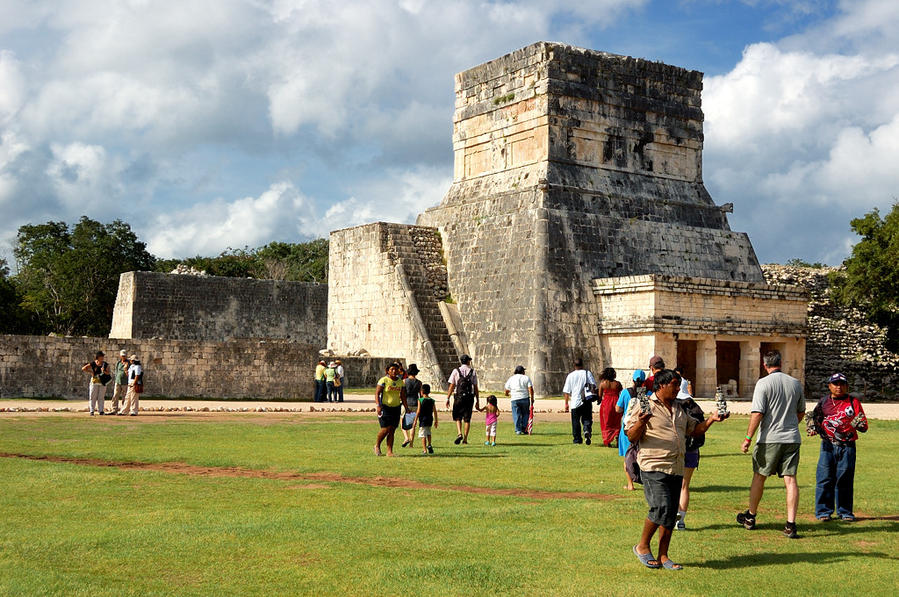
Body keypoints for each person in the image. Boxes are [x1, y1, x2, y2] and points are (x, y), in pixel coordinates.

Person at [626, 369, 723, 570]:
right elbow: (631, 436)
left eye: (679, 385)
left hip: (676, 466)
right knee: (660, 507)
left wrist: (712, 419)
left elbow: (694, 430)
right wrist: (642, 421)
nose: (678, 389)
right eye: (674, 385)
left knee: (670, 513)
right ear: (661, 385)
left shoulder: (680, 408)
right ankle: (642, 546)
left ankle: (663, 556)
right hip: (653, 464)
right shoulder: (644, 404)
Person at [737, 350, 805, 539]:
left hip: (769, 439)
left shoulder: (763, 383)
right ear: (781, 363)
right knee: (790, 480)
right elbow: (801, 412)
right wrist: (789, 426)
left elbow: (757, 413)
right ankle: (791, 524)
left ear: (764, 365)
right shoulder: (795, 383)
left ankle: (750, 516)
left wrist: (748, 439)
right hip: (792, 438)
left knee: (759, 476)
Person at [809, 373, 868, 521]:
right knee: (824, 479)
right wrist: (813, 428)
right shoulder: (823, 402)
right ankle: (823, 512)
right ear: (829, 386)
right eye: (835, 384)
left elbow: (863, 425)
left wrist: (859, 425)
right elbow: (814, 419)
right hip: (828, 445)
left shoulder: (853, 402)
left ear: (847, 386)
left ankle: (845, 512)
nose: (838, 387)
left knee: (845, 479)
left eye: (842, 384)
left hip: (847, 445)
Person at [675, 392, 722, 530]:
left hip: (677, 450)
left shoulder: (674, 406)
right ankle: (681, 521)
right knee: (684, 486)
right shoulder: (694, 407)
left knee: (672, 486)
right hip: (693, 450)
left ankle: (672, 517)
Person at [617, 370, 646, 491]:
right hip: (641, 429)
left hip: (627, 429)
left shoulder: (625, 392)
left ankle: (630, 484)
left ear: (633, 380)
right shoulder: (646, 394)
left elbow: (618, 409)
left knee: (627, 456)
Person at [446, 354, 480, 445]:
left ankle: (459, 433)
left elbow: (452, 385)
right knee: (467, 418)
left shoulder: (456, 371)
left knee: (458, 416)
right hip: (469, 397)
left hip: (459, 397)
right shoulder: (472, 372)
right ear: (468, 361)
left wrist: (447, 398)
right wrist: (477, 400)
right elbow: (475, 387)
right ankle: (465, 439)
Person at [374, 363, 406, 456]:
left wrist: (406, 407)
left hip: (396, 407)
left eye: (396, 369)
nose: (394, 371)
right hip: (385, 407)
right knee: (385, 429)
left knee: (392, 430)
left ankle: (389, 451)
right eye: (391, 369)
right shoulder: (383, 380)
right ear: (387, 371)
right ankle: (377, 445)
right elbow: (377, 393)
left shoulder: (400, 382)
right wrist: (378, 405)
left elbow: (403, 396)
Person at [562, 359, 596, 444]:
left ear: (574, 365)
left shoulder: (570, 375)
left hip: (575, 402)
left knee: (575, 421)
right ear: (582, 365)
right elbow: (593, 385)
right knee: (587, 418)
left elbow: (566, 391)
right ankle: (586, 430)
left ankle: (577, 439)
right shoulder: (587, 373)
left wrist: (566, 403)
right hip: (586, 400)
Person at [504, 365, 534, 434]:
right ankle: (524, 427)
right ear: (522, 371)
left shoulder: (511, 378)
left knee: (516, 414)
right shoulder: (526, 378)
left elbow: (507, 389)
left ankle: (518, 429)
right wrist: (532, 398)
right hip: (525, 398)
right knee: (526, 413)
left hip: (515, 398)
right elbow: (530, 389)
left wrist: (506, 394)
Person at [599, 367, 623, 447]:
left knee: (606, 422)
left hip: (606, 403)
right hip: (616, 403)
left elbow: (599, 395)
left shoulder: (603, 384)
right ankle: (617, 437)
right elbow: (621, 392)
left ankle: (607, 440)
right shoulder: (617, 384)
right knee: (616, 422)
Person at [81, 351, 110, 416]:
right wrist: (91, 372)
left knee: (101, 397)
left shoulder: (105, 364)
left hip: (102, 382)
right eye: (101, 356)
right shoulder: (93, 363)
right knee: (92, 396)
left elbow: (108, 372)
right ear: (98, 357)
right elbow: (84, 368)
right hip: (94, 381)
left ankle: (101, 410)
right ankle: (92, 410)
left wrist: (104, 371)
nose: (102, 358)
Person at [401, 364, 422, 448]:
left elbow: (402, 393)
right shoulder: (419, 382)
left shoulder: (404, 381)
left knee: (403, 422)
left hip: (406, 403)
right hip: (415, 403)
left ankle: (406, 438)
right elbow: (420, 395)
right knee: (413, 424)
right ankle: (411, 444)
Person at [415, 383, 438, 454]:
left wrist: (415, 420)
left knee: (423, 434)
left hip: (423, 419)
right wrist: (436, 420)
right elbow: (435, 411)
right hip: (430, 419)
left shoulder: (420, 400)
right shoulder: (432, 400)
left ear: (421, 391)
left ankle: (424, 449)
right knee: (428, 432)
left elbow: (418, 411)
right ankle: (429, 444)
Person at [111, 350, 130, 414]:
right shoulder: (118, 363)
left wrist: (126, 368)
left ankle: (123, 410)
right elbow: (116, 371)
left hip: (125, 382)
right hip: (118, 381)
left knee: (124, 396)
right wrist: (116, 379)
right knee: (115, 396)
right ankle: (114, 409)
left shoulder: (129, 363)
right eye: (122, 356)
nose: (123, 357)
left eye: (124, 356)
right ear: (120, 356)